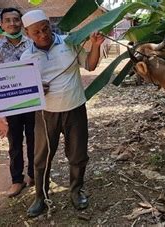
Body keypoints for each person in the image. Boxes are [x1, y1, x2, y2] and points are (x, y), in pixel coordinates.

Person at [19, 9, 104, 217]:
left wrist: (96, 45)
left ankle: (76, 191)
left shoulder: (69, 43)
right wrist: (36, 87)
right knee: (41, 158)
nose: (42, 35)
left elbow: (90, 65)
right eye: (36, 32)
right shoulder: (26, 56)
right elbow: (24, 89)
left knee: (77, 154)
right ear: (27, 33)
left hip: (74, 107)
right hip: (46, 113)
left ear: (49, 24)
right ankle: (40, 197)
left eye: (45, 29)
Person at [0, 7, 35, 198]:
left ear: (21, 23)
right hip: (10, 106)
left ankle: (34, 174)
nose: (12, 23)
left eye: (15, 20)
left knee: (34, 140)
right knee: (14, 144)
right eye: (7, 20)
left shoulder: (33, 44)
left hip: (32, 102)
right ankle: (17, 180)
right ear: (1, 24)